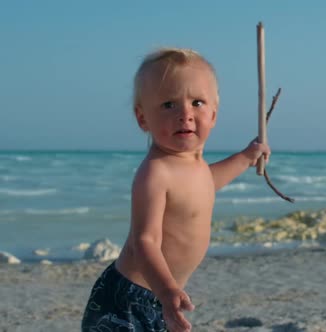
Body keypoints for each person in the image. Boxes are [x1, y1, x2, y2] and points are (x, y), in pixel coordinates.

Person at [81, 48, 270, 332]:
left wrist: (245, 158)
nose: (185, 114)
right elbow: (144, 242)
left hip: (160, 295)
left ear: (214, 114)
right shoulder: (156, 172)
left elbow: (204, 185)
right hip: (129, 298)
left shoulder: (193, 166)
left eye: (197, 102)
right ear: (143, 119)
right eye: (169, 104)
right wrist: (167, 289)